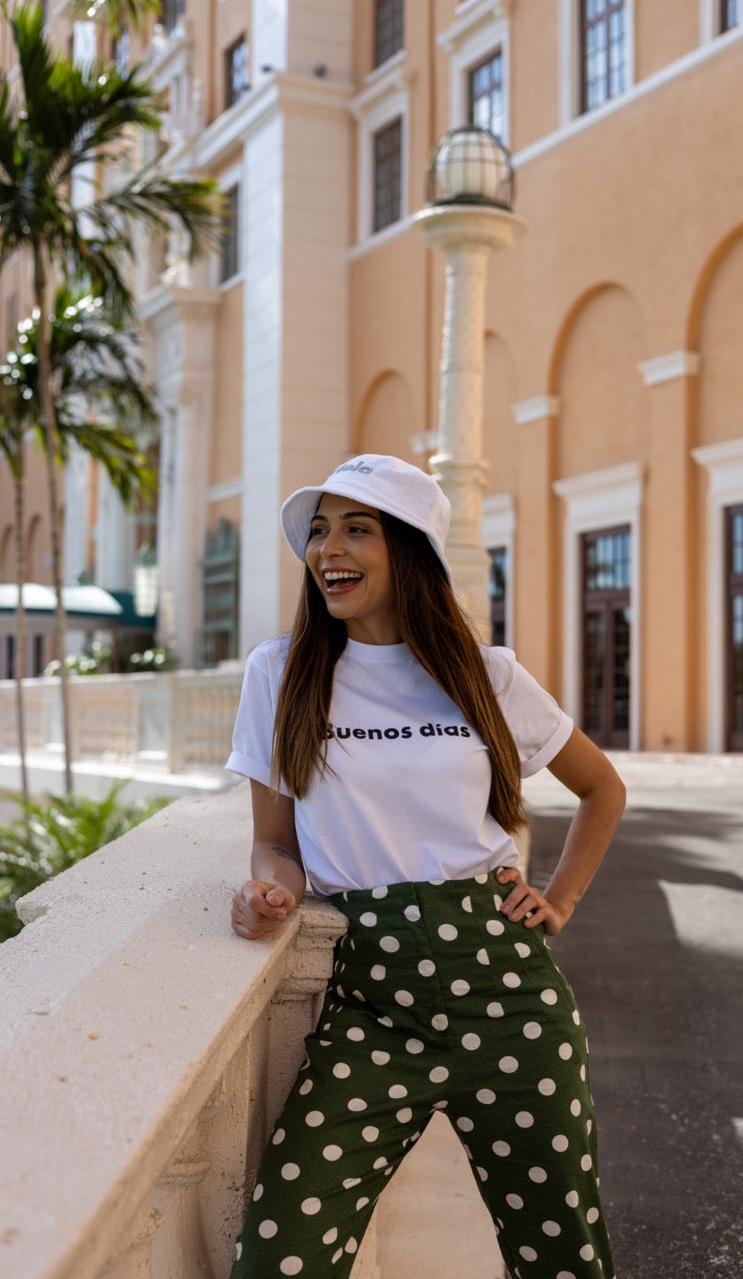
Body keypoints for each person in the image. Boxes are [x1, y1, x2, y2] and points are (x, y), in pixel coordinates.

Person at [227, 453, 626, 1279]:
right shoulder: (282, 673)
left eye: (356, 527)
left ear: (410, 549)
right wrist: (270, 890)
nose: (327, 547)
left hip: (510, 998)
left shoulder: (486, 675)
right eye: (320, 529)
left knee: (562, 1255)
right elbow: (278, 842)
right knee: (280, 1251)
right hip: (372, 1010)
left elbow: (601, 789)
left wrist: (558, 901)